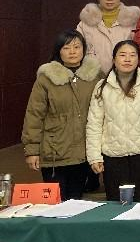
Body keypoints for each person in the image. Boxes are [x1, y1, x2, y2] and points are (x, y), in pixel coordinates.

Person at [21, 30, 102, 201]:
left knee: (76, 201)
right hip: (54, 151)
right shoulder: (46, 78)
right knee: (55, 202)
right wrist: (32, 150)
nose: (72, 52)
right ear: (58, 51)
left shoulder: (95, 76)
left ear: (84, 49)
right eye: (66, 48)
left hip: (83, 152)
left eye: (77, 47)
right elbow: (34, 115)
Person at [86, 40, 140, 202]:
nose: (127, 59)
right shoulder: (102, 86)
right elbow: (94, 123)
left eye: (132, 55)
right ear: (114, 59)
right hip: (112, 157)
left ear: (138, 59)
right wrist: (94, 156)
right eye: (122, 55)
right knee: (116, 205)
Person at [76, 0, 140, 73]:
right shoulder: (85, 23)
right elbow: (76, 50)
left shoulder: (133, 22)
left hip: (125, 76)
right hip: (93, 76)